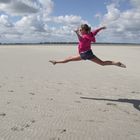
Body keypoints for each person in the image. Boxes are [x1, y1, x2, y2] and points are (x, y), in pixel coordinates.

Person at [49, 24, 126, 68]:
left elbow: (80, 39)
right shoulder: (90, 34)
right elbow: (95, 31)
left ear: (84, 30)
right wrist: (101, 28)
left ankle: (55, 62)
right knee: (102, 63)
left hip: (84, 54)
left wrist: (76, 33)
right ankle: (116, 63)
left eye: (80, 30)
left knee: (69, 59)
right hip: (89, 53)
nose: (80, 31)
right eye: (79, 30)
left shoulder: (85, 36)